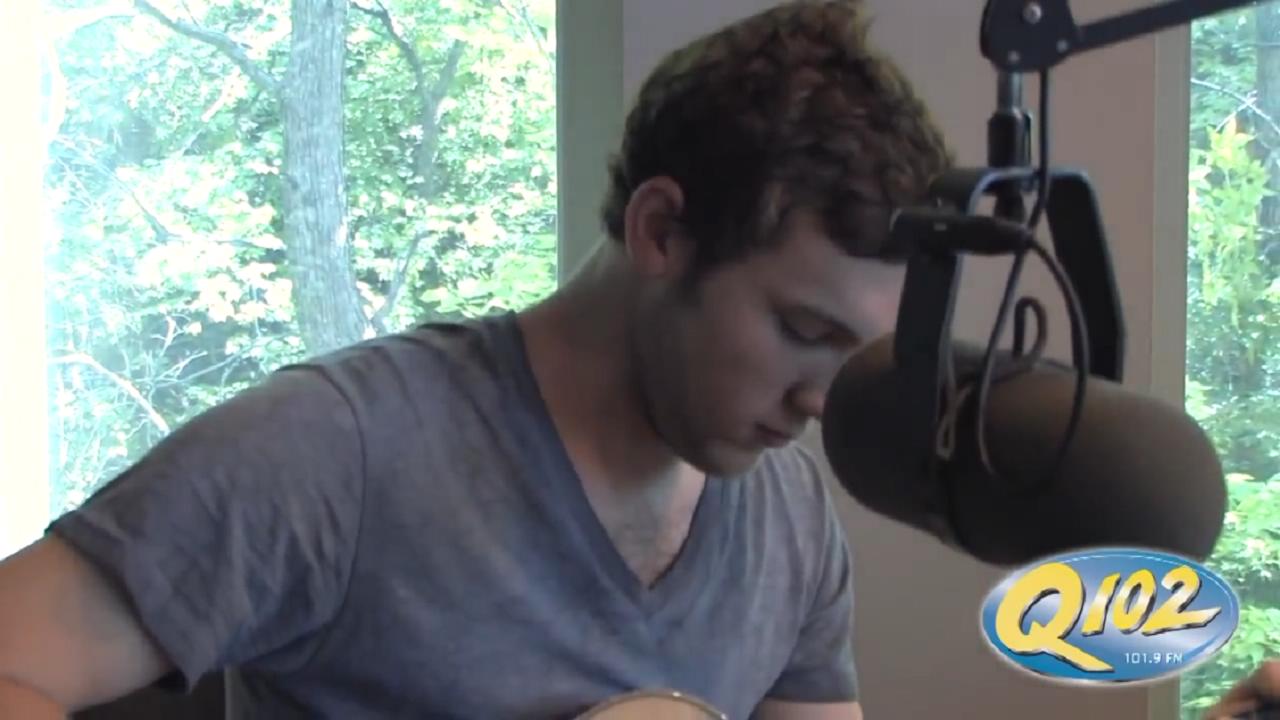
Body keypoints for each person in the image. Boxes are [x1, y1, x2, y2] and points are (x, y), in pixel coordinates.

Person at [0, 1, 953, 718]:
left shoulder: (790, 521)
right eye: (803, 330)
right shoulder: (336, 453)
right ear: (662, 231)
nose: (822, 399)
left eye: (854, 353)